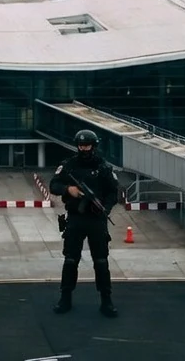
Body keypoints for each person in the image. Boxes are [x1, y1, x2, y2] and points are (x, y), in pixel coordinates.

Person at [49, 129, 120, 317]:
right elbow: (54, 185)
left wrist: (104, 209)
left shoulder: (103, 167)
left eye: (87, 145)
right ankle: (65, 298)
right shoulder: (69, 165)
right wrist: (68, 189)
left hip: (96, 220)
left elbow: (113, 193)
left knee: (101, 261)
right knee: (70, 260)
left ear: (94, 146)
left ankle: (106, 300)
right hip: (76, 218)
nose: (84, 149)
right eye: (81, 145)